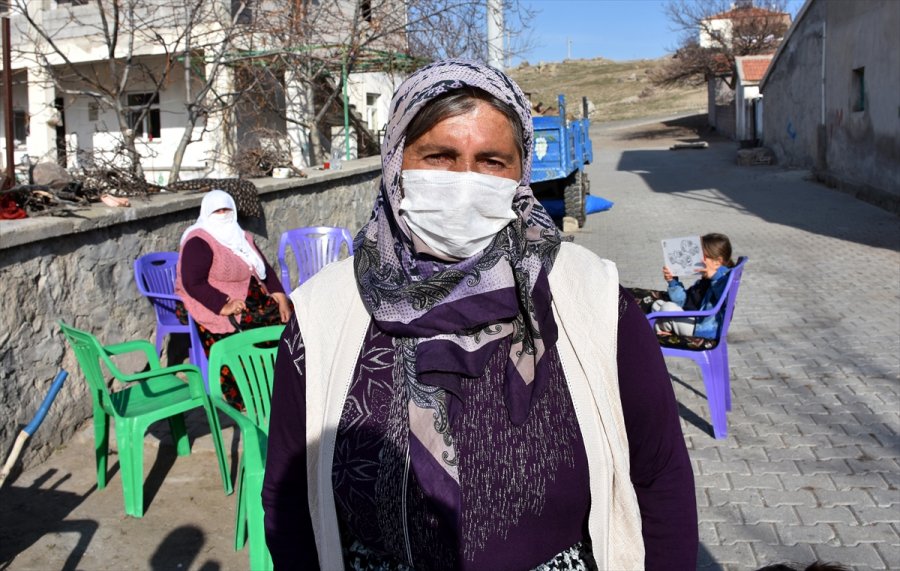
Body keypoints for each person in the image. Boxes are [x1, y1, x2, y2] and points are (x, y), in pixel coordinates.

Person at [263, 59, 698, 570]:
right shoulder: (325, 313)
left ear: (521, 173)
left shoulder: (592, 299)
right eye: (440, 156)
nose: (465, 181)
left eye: (492, 161)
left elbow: (660, 477)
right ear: (397, 162)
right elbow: (288, 500)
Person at [175, 189, 292, 407]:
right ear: (207, 213)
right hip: (215, 300)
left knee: (293, 318)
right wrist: (223, 305)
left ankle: (283, 385)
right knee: (256, 325)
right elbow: (193, 282)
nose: (223, 214)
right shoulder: (199, 241)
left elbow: (263, 268)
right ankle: (253, 393)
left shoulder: (242, 237)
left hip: (253, 295)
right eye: (217, 211)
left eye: (226, 209)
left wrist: (280, 295)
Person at [648, 233, 735, 338]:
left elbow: (725, 296)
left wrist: (715, 277)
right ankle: (661, 327)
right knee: (657, 304)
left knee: (667, 308)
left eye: (702, 256)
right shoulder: (704, 281)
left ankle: (650, 333)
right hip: (692, 318)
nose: (696, 260)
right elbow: (683, 301)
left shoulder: (723, 280)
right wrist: (673, 281)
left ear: (717, 262)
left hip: (701, 328)